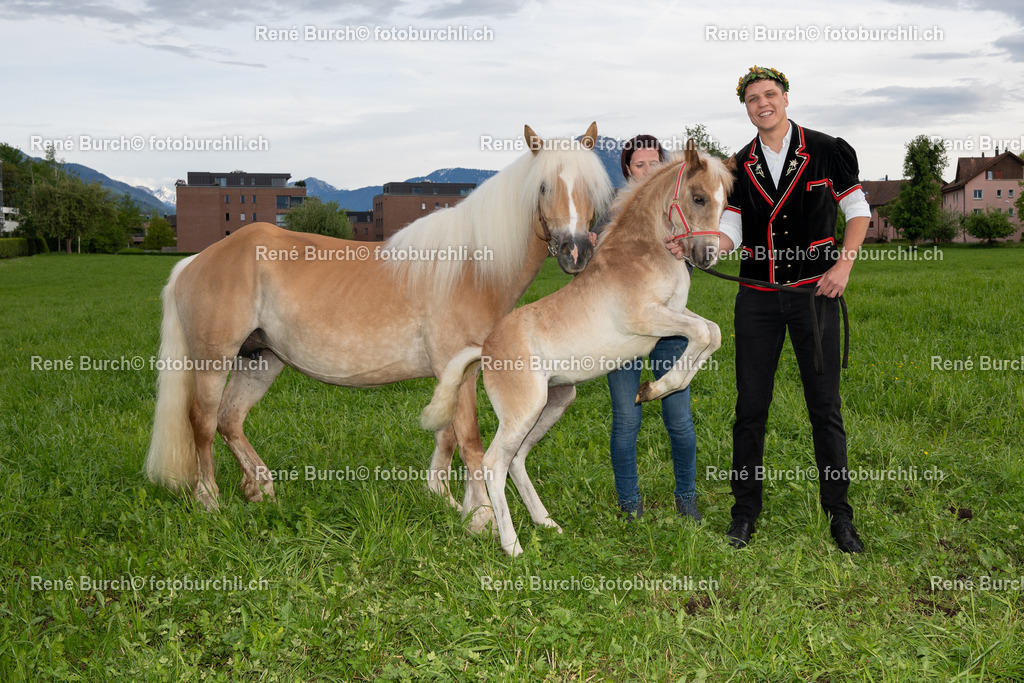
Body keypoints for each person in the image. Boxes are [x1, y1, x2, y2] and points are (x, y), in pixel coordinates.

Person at [668, 67, 870, 552]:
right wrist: (699, 244)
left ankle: (840, 516)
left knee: (825, 408)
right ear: (746, 107)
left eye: (770, 94)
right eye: (753, 98)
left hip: (814, 295)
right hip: (757, 299)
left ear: (784, 98)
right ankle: (744, 514)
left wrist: (841, 268)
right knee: (750, 408)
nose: (763, 103)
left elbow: (858, 210)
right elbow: (732, 232)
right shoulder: (737, 166)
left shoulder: (824, 149)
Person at [594, 134, 702, 523]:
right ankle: (629, 504)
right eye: (640, 165)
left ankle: (686, 498)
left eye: (654, 164)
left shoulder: (678, 209)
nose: (647, 171)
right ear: (627, 169)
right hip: (622, 331)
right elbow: (583, 271)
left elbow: (701, 254)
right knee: (626, 419)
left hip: (669, 329)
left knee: (680, 420)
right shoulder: (609, 213)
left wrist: (686, 246)